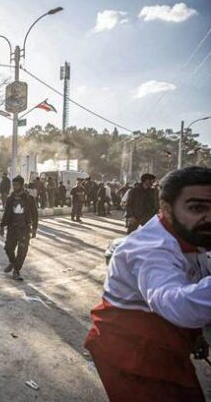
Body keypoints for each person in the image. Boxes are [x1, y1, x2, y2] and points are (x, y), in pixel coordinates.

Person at [84, 166, 211, 401]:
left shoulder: (190, 234)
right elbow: (175, 302)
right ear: (166, 207)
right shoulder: (150, 250)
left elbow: (190, 280)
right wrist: (132, 217)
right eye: (196, 208)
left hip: (165, 344)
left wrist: (194, 336)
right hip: (133, 355)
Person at [0, 175, 39, 281]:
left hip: (24, 229)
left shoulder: (29, 198)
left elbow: (35, 214)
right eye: (13, 185)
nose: (14, 187)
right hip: (12, 228)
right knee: (8, 248)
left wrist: (34, 229)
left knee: (22, 251)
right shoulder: (10, 198)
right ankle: (12, 262)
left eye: (16, 185)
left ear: (21, 185)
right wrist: (2, 226)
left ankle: (16, 270)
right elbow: (6, 213)